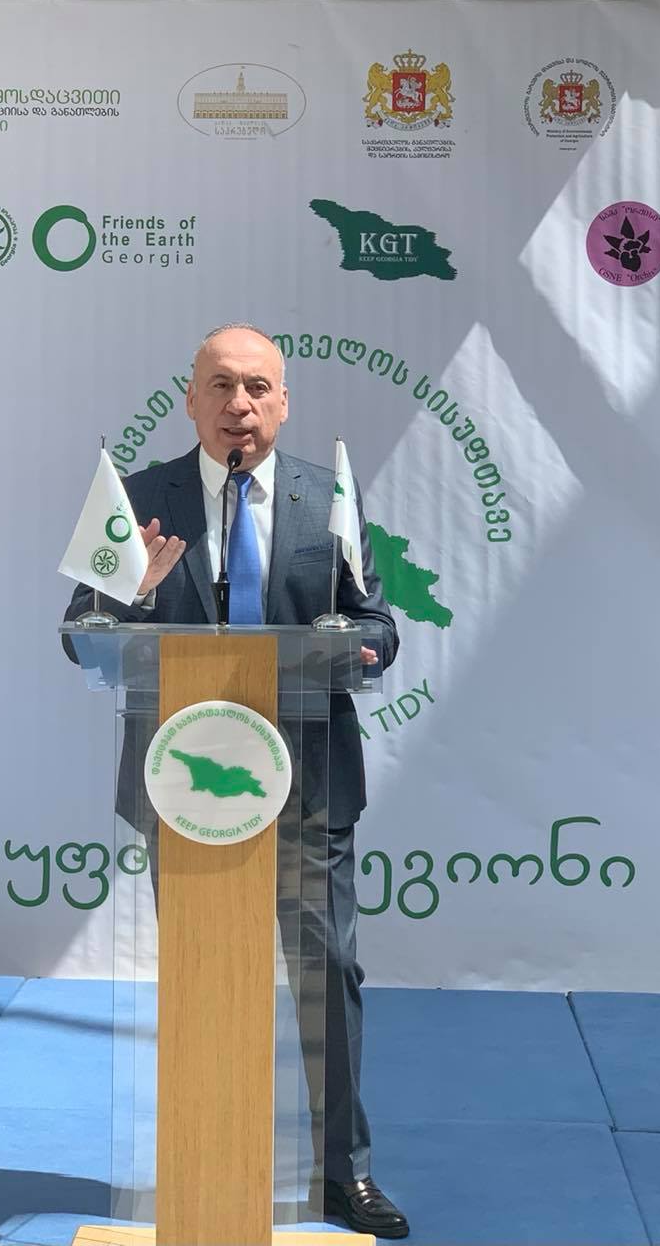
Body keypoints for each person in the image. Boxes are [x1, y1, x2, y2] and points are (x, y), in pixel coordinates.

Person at [63, 324, 408, 1239]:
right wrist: (135, 595)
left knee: (326, 973)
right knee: (206, 971)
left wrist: (362, 645)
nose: (239, 405)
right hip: (187, 789)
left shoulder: (327, 497)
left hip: (310, 782)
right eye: (220, 385)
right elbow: (80, 631)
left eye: (257, 387)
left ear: (283, 402)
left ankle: (341, 1174)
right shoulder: (140, 499)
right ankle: (204, 1166)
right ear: (190, 399)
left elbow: (378, 622)